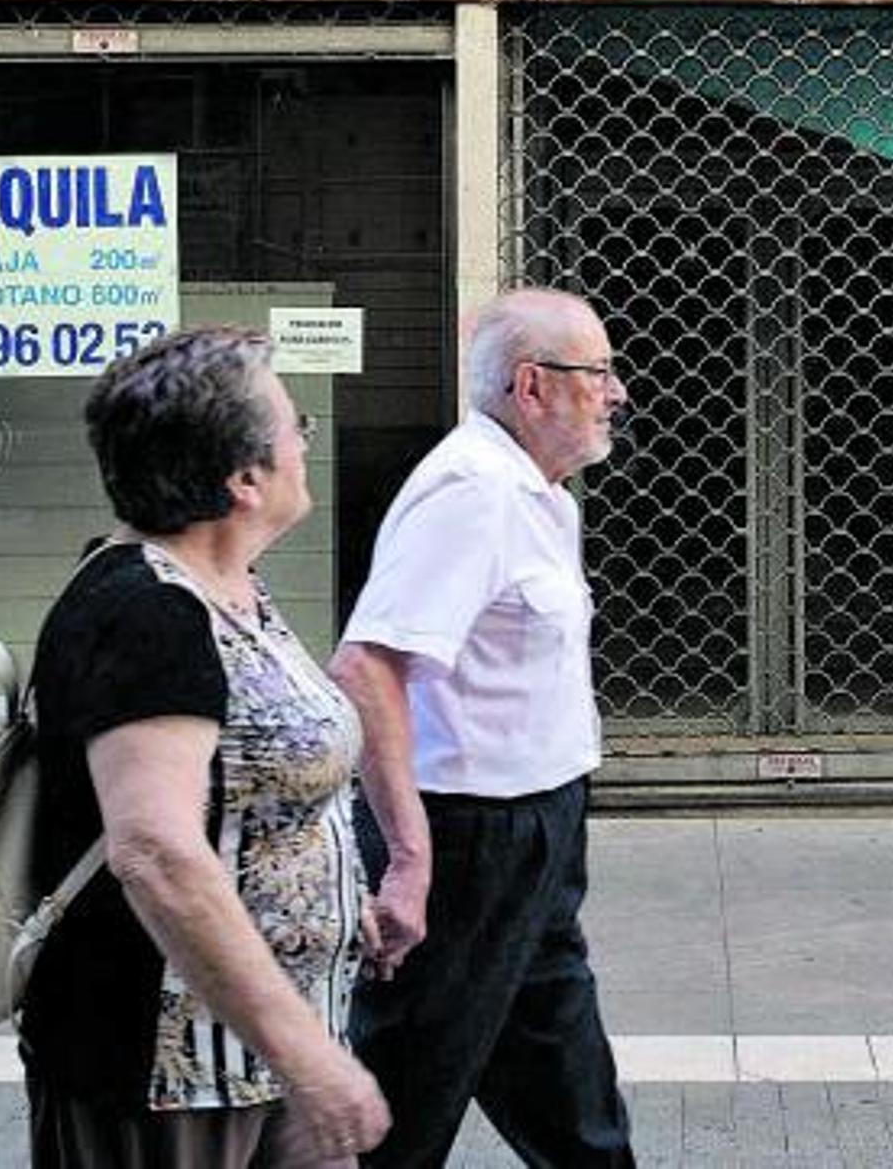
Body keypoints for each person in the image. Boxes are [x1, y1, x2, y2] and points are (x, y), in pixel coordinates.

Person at [18, 325, 390, 1168]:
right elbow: (155, 852)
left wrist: (334, 884)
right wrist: (309, 1058)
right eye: (296, 425)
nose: (307, 442)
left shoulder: (230, 588)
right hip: (173, 1072)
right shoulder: (145, 610)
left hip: (271, 1057)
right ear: (244, 478)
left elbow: (251, 778)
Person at [329, 287, 636, 1168]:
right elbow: (368, 667)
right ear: (532, 385)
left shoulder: (540, 494)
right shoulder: (471, 493)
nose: (615, 392)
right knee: (406, 1097)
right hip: (468, 839)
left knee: (566, 1081)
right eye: (600, 373)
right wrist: (412, 861)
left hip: (538, 826)